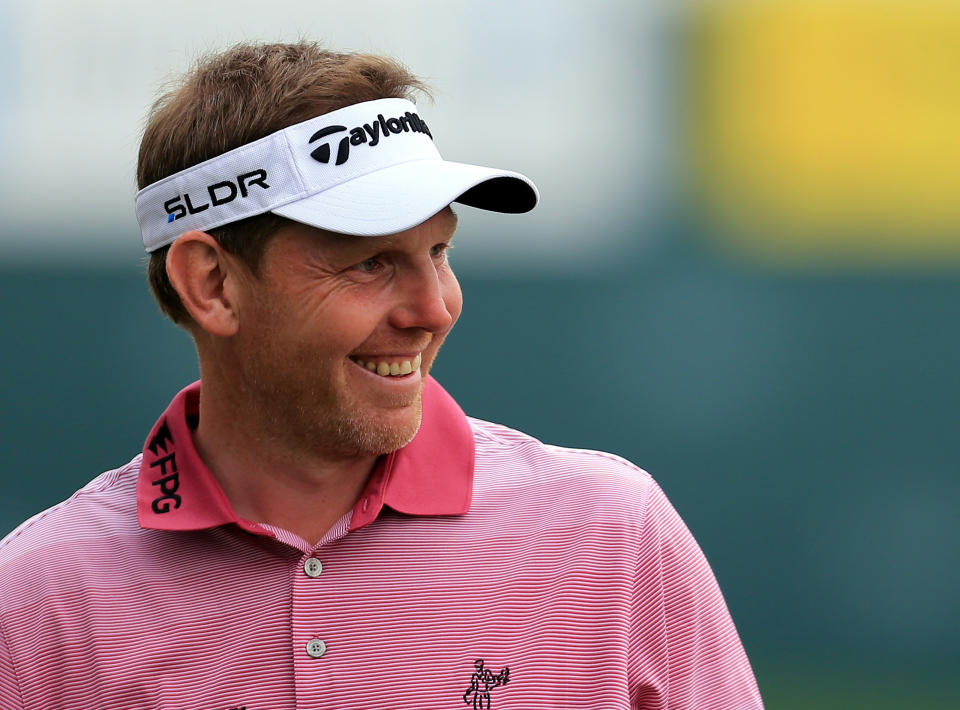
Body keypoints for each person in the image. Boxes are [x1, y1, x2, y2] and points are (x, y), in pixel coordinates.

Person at [0, 42, 763, 709]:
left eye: (439, 253)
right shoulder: (35, 602)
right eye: (371, 262)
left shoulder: (612, 534)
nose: (434, 309)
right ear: (212, 284)